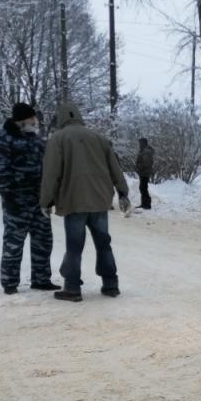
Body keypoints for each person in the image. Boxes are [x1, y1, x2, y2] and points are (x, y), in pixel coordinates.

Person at [40, 100, 131, 302]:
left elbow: (51, 173)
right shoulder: (98, 138)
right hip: (100, 200)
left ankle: (72, 288)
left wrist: (46, 201)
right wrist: (123, 192)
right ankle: (111, 284)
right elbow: (115, 167)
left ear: (62, 118)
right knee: (104, 243)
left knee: (74, 246)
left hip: (74, 201)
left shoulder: (58, 139)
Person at [0, 103, 58, 295]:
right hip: (16, 200)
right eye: (32, 118)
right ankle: (10, 283)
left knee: (43, 240)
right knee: (14, 242)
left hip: (38, 200)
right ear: (22, 119)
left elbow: (46, 168)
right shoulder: (2, 139)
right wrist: (8, 195)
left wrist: (48, 195)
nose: (35, 121)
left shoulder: (35, 140)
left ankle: (41, 279)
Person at [135, 137, 154, 209]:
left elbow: (146, 163)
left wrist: (139, 167)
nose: (139, 144)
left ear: (144, 143)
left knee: (143, 188)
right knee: (142, 188)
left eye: (140, 143)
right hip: (143, 172)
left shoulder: (146, 152)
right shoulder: (143, 151)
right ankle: (144, 204)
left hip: (145, 172)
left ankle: (147, 204)